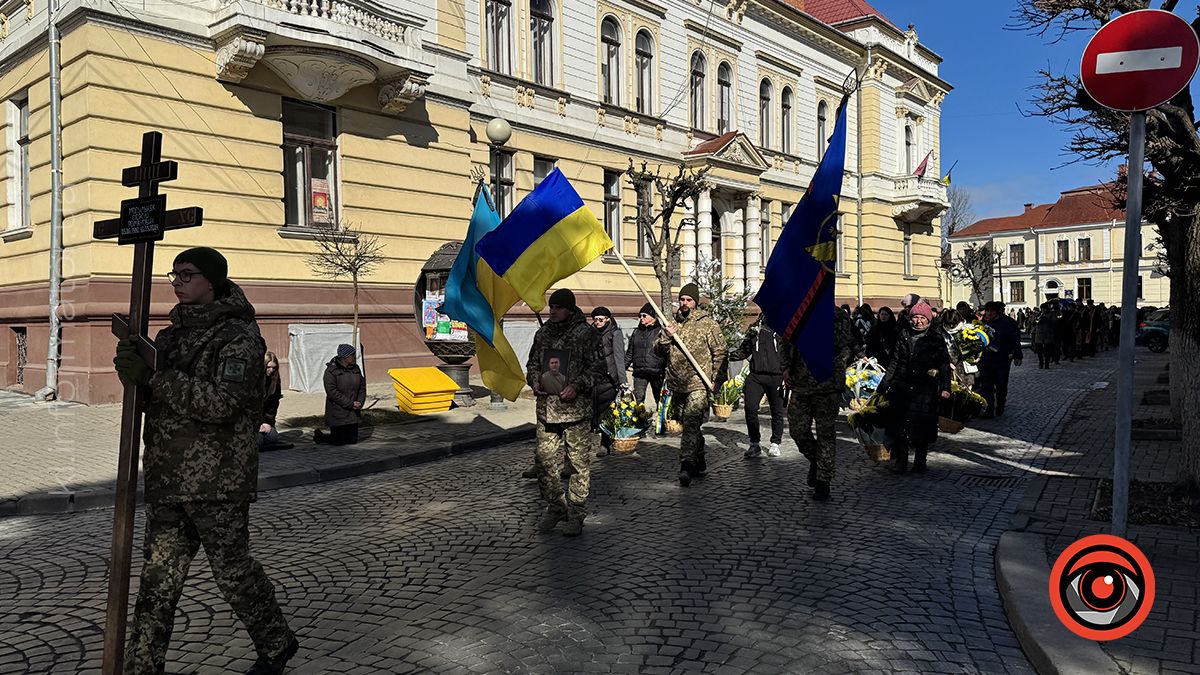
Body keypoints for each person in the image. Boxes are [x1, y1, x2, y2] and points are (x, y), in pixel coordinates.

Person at [113, 247, 297, 675]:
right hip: (167, 475)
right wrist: (135, 380)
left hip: (217, 480)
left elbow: (223, 404)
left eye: (187, 274)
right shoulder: (170, 336)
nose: (176, 281)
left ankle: (276, 642)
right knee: (157, 585)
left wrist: (155, 378)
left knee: (233, 574)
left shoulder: (239, 339)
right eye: (173, 274)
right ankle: (143, 668)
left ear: (211, 282)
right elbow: (158, 402)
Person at [527, 288, 603, 536]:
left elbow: (598, 369)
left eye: (558, 307)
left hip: (574, 412)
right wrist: (535, 381)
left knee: (579, 465)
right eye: (551, 307)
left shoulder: (586, 334)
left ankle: (577, 512)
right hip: (546, 412)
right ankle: (556, 506)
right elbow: (532, 364)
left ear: (569, 309)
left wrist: (577, 386)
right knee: (543, 462)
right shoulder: (543, 334)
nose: (553, 311)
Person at [656, 282, 727, 487]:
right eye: (682, 300)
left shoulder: (708, 324)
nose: (684, 303)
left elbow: (720, 352)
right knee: (688, 424)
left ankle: (686, 466)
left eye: (688, 300)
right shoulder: (672, 324)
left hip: (698, 383)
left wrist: (717, 380)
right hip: (677, 384)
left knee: (691, 423)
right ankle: (700, 456)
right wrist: (666, 337)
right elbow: (658, 351)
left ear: (695, 302)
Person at [782, 307, 853, 500]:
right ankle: (816, 460)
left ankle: (823, 481)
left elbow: (845, 347)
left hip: (827, 386)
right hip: (800, 383)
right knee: (797, 429)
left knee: (825, 434)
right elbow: (785, 340)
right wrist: (785, 368)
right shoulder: (798, 311)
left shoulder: (837, 316)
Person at [877, 301, 951, 474]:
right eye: (915, 317)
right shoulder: (903, 335)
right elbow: (894, 362)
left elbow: (944, 364)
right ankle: (901, 462)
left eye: (922, 318)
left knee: (923, 426)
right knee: (900, 426)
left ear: (928, 319)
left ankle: (920, 461)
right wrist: (884, 385)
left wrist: (945, 387)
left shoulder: (935, 337)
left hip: (925, 389)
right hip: (902, 386)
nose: (918, 321)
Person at [729, 303, 786, 458]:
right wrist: (728, 354)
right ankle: (755, 443)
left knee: (777, 411)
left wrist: (788, 373)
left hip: (776, 376)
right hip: (756, 375)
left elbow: (789, 351)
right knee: (750, 408)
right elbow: (745, 349)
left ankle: (775, 443)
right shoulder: (755, 327)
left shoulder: (784, 326)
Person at [976, 301, 1022, 418]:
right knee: (987, 387)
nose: (989, 313)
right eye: (987, 311)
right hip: (986, 360)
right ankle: (989, 409)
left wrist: (1017, 355)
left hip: (1001, 360)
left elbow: (1014, 340)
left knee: (1001, 385)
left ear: (997, 312)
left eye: (992, 311)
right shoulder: (982, 324)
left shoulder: (1006, 324)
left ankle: (1000, 404)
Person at [314, 344, 366, 445]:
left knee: (352, 441)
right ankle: (320, 437)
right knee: (338, 442)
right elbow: (332, 392)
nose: (355, 357)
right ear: (344, 357)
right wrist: (350, 403)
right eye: (352, 355)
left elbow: (362, 387)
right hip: (337, 413)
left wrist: (360, 402)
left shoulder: (356, 369)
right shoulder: (331, 371)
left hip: (352, 413)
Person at [591, 306, 625, 457]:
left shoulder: (615, 334)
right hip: (593, 378)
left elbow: (619, 357)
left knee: (606, 413)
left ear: (608, 320)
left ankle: (605, 443)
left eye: (601, 319)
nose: (598, 322)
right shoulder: (589, 333)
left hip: (609, 378)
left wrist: (622, 381)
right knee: (593, 412)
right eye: (595, 319)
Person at [625, 302, 665, 410]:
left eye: (644, 316)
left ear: (652, 317)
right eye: (640, 316)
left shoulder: (660, 332)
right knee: (638, 399)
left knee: (660, 400)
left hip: (656, 372)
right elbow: (630, 353)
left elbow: (665, 352)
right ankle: (639, 423)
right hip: (640, 372)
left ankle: (661, 424)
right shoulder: (636, 332)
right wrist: (622, 368)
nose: (641, 318)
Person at [259, 351, 293, 451]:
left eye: (274, 368)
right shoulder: (256, 380)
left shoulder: (275, 381)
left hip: (266, 419)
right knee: (259, 441)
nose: (271, 370)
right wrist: (258, 424)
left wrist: (267, 422)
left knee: (273, 438)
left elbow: (273, 405)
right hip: (254, 420)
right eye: (268, 367)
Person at [1032, 303, 1059, 369]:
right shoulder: (1038, 314)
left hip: (1048, 335)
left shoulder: (1051, 314)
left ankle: (1047, 364)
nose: (1043, 310)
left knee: (1047, 352)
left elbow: (1054, 322)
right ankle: (1041, 363)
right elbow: (1033, 322)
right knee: (1039, 351)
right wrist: (1040, 316)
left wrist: (1046, 318)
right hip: (1039, 336)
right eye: (1042, 309)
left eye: (1044, 309)